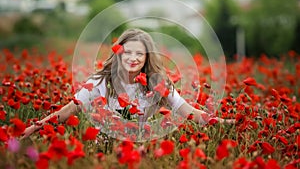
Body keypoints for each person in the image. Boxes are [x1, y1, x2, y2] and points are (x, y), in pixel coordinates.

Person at [22, 28, 234, 139]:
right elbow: (69, 110)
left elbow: (189, 111)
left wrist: (225, 123)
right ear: (119, 53)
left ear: (147, 57)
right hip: (105, 150)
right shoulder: (100, 81)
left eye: (139, 53)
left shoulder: (157, 82)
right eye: (128, 52)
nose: (133, 58)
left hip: (141, 148)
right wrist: (33, 128)